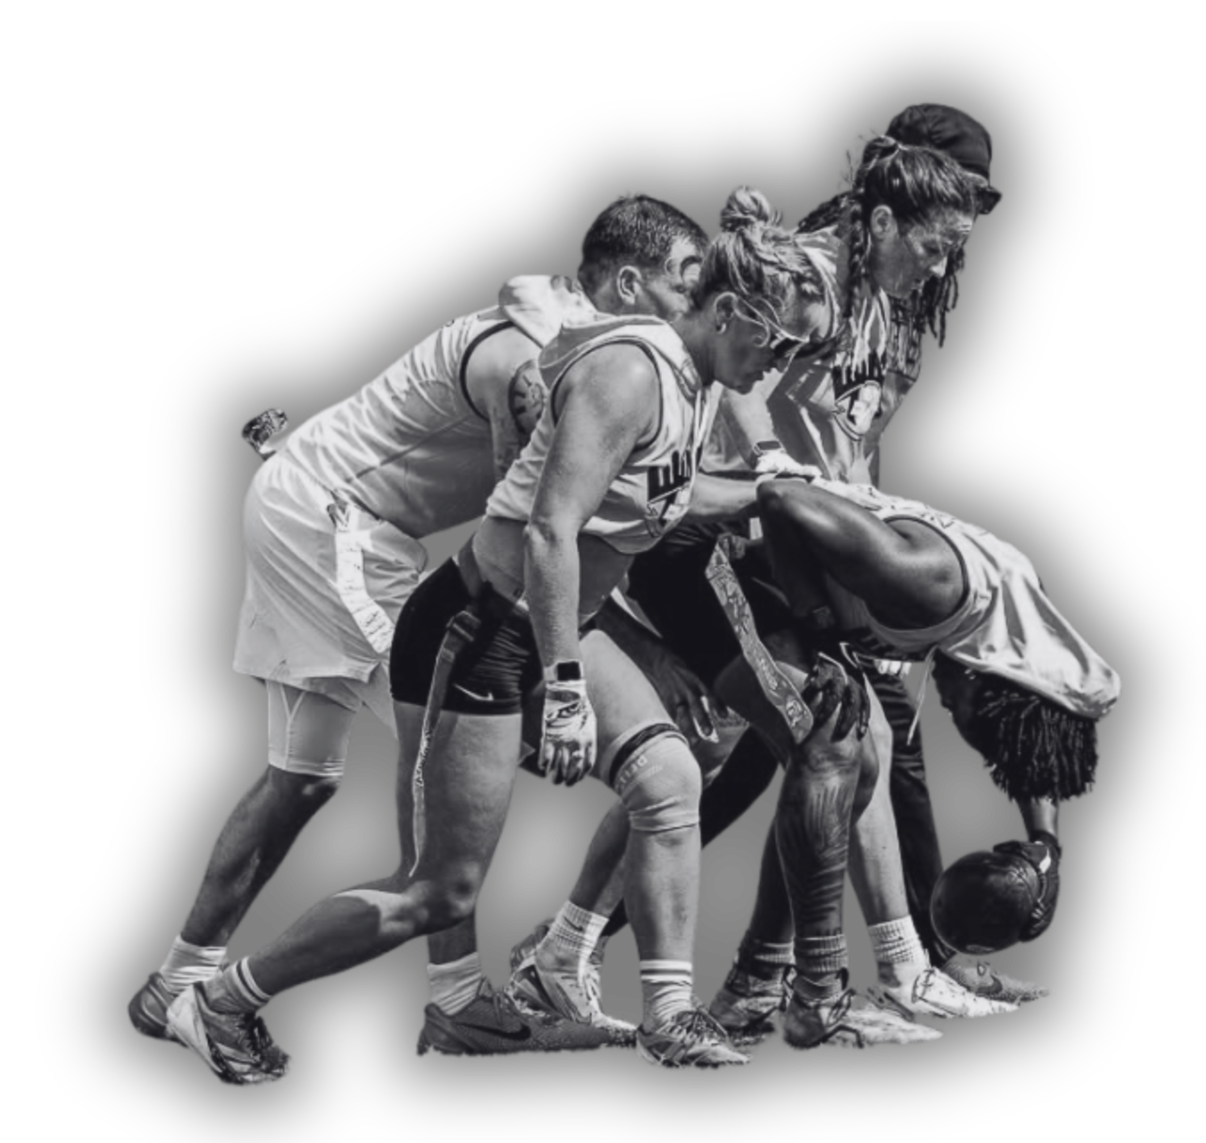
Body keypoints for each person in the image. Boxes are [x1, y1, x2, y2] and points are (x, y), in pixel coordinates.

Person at [159, 185, 832, 1083]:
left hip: (552, 616)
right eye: (778, 342)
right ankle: (217, 998)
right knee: (436, 886)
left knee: (670, 772)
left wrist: (775, 493)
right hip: (476, 628)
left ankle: (669, 1012)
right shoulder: (632, 369)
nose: (782, 367)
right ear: (724, 309)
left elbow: (654, 504)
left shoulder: (697, 379)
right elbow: (553, 529)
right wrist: (561, 688)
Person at [509, 121, 1016, 1050]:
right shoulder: (797, 291)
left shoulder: (861, 303)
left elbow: (835, 446)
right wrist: (782, 479)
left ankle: (637, 957)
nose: (943, 271)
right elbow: (727, 420)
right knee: (829, 733)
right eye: (936, 245)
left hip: (739, 536)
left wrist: (837, 524)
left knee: (759, 755)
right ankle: (821, 986)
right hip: (712, 549)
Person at [753, 472, 1120, 970]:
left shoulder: (1004, 636)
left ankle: (906, 960)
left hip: (767, 596)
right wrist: (824, 640)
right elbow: (780, 498)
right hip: (732, 553)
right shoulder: (931, 584)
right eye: (973, 726)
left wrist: (1046, 846)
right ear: (990, 692)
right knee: (828, 751)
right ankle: (776, 973)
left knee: (869, 755)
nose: (955, 720)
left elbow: (1030, 750)